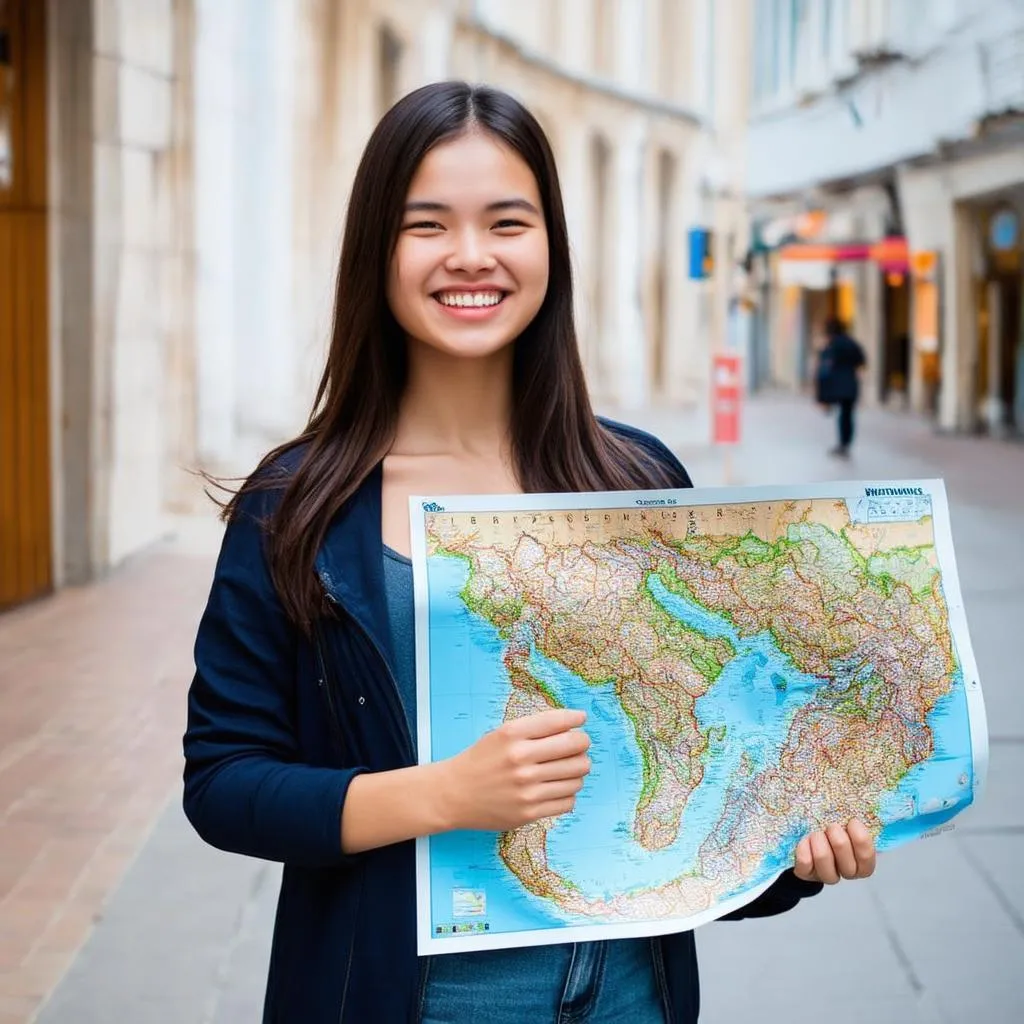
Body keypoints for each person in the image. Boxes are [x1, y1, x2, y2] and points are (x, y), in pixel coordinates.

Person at [183, 81, 877, 1024]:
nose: (471, 256)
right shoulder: (294, 507)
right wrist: (441, 795)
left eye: (507, 222)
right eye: (426, 225)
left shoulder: (636, 479)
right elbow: (223, 782)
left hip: (630, 996)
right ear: (375, 253)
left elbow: (688, 773)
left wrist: (796, 852)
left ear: (550, 243)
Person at [815, 317, 867, 457]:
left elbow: (824, 370)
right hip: (851, 384)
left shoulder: (831, 345)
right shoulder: (852, 343)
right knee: (848, 415)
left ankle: (843, 444)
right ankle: (846, 443)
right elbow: (862, 362)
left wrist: (822, 396)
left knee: (843, 416)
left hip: (837, 385)